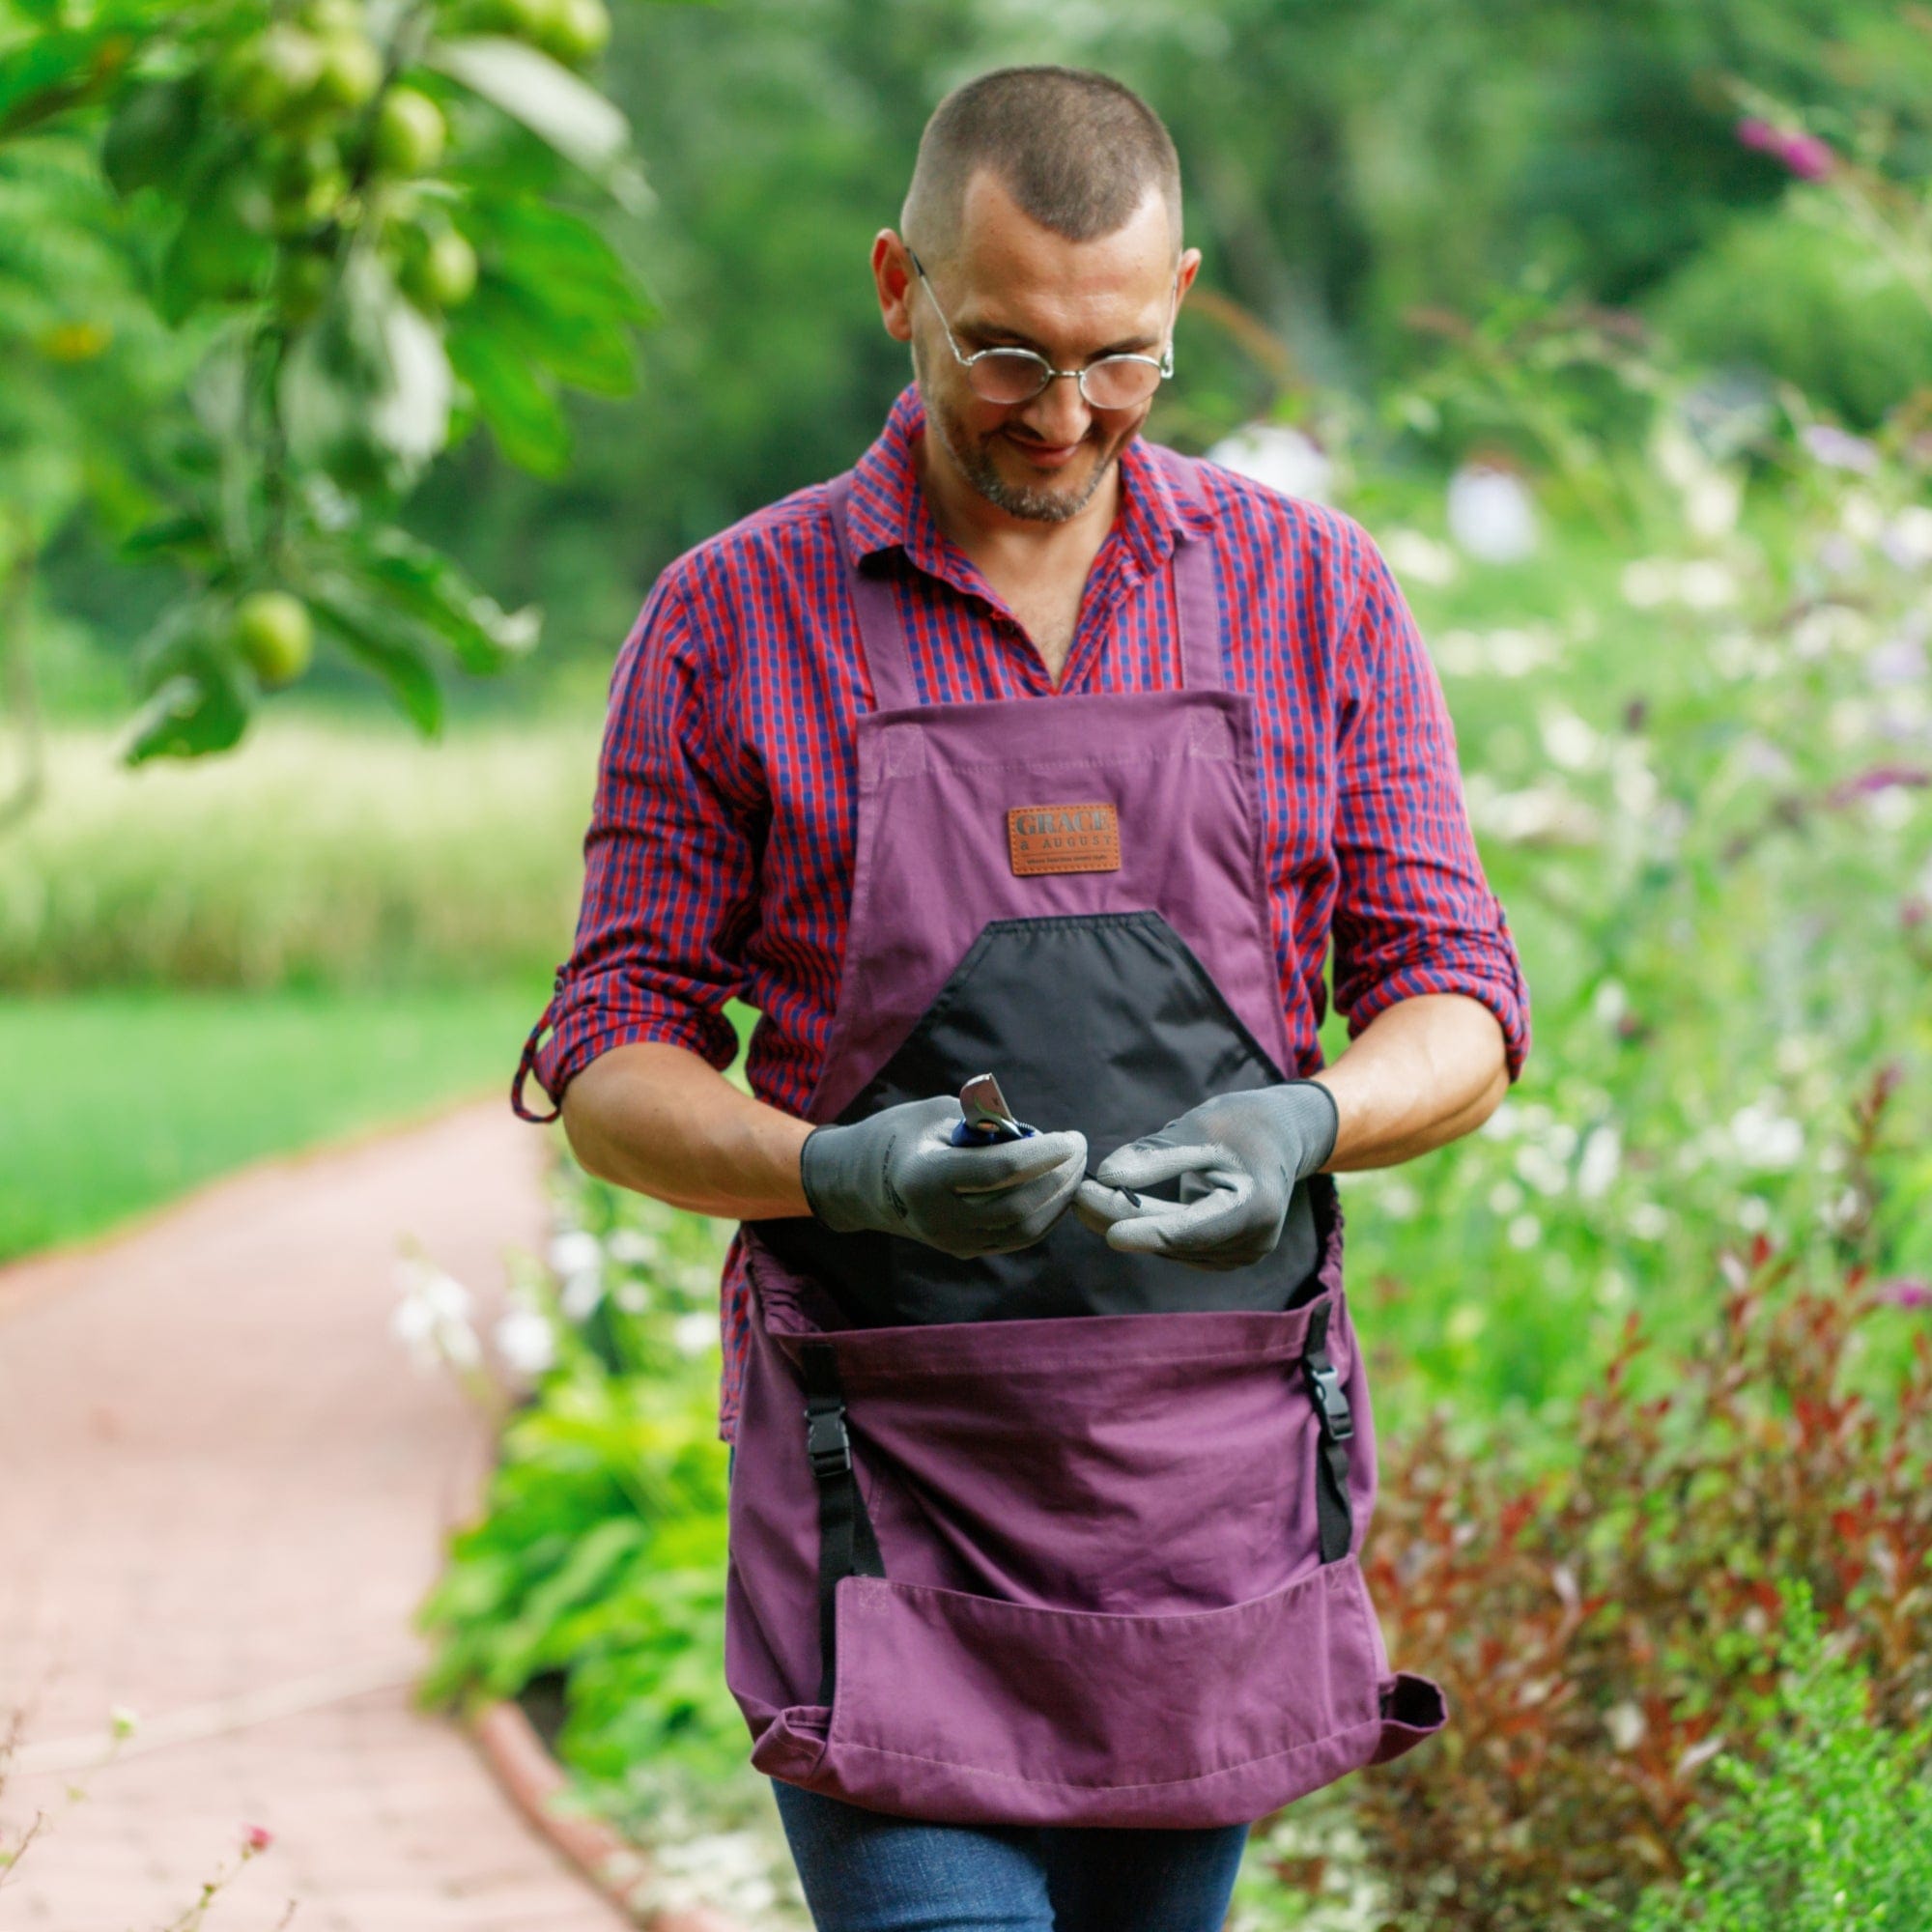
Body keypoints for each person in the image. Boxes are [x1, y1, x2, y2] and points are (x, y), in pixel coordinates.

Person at [512, 62, 1530, 1932]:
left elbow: (1454, 993)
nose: (1065, 417)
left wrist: (1304, 1117)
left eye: (1122, 361)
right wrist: (842, 1172)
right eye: (1005, 355)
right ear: (897, 285)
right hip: (891, 1493)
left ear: (1179, 300)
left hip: (1202, 1486)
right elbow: (610, 1055)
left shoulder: (1313, 595)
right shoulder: (729, 618)